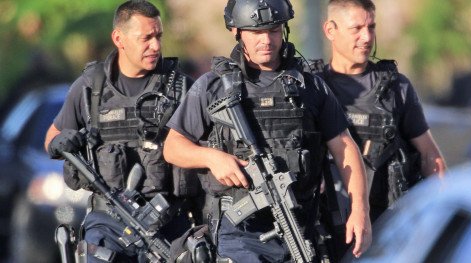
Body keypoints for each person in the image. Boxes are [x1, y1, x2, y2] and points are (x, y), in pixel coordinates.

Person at [163, 0, 372, 261]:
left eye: (274, 30)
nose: (267, 40)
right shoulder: (212, 86)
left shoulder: (310, 87)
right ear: (236, 31)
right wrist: (213, 158)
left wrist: (360, 210)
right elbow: (173, 147)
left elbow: (345, 148)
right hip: (239, 234)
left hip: (300, 227)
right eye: (256, 32)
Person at [44, 1, 196, 262]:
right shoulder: (90, 89)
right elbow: (52, 137)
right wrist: (62, 141)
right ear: (119, 38)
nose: (156, 46)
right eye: (146, 38)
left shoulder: (181, 88)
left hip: (168, 228)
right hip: (108, 226)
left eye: (159, 36)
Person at [319, 0, 447, 223]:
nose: (367, 38)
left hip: (386, 221)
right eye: (356, 29)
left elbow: (430, 157)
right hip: (326, 226)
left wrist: (440, 216)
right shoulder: (310, 87)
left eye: (371, 27)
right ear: (330, 30)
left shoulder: (396, 87)